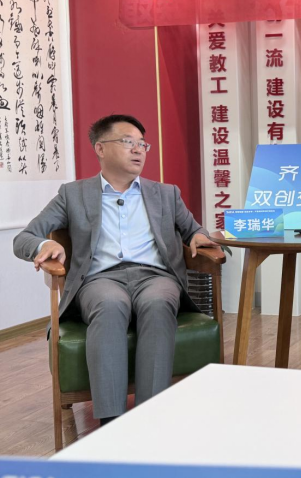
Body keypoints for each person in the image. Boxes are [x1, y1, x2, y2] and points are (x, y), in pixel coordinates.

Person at [13, 114, 218, 424]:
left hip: (155, 277)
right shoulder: (74, 194)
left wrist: (199, 237)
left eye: (142, 144)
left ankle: (150, 417)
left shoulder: (166, 194)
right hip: (100, 280)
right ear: (100, 148)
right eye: (127, 142)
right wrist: (44, 245)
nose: (138, 150)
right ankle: (112, 422)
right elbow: (24, 237)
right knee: (110, 304)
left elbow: (194, 231)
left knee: (158, 302)